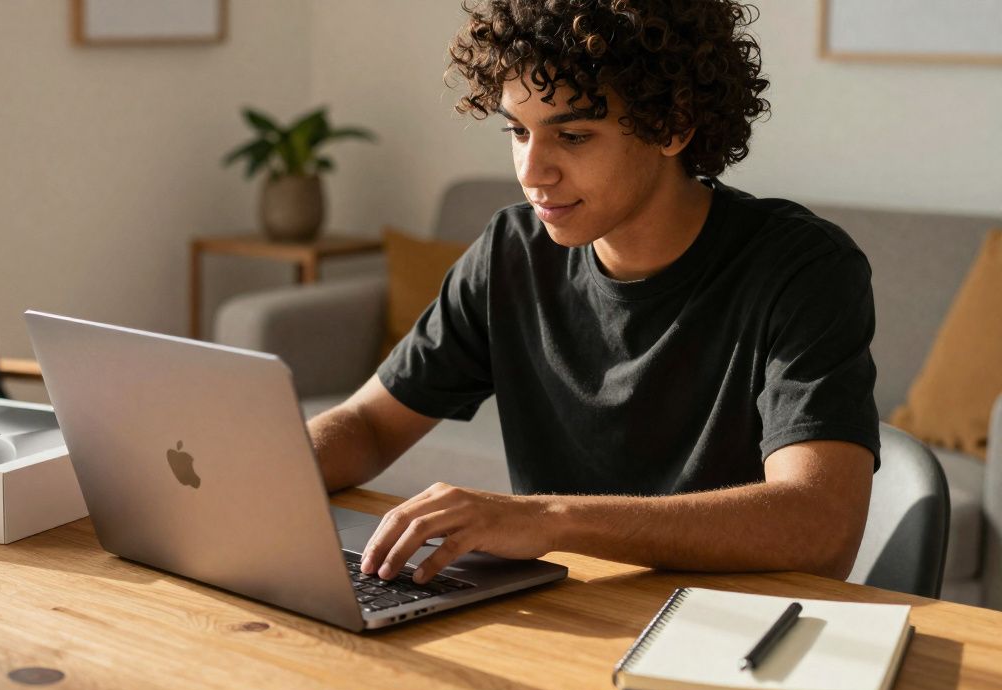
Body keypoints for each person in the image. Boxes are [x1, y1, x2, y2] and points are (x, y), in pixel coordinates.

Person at [307, 0, 880, 587]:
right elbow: (370, 426)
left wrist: (547, 518)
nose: (532, 172)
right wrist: (252, 470)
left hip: (726, 628)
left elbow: (818, 528)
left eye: (574, 135)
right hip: (566, 613)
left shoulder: (803, 268)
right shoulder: (512, 250)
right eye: (517, 131)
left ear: (674, 124)